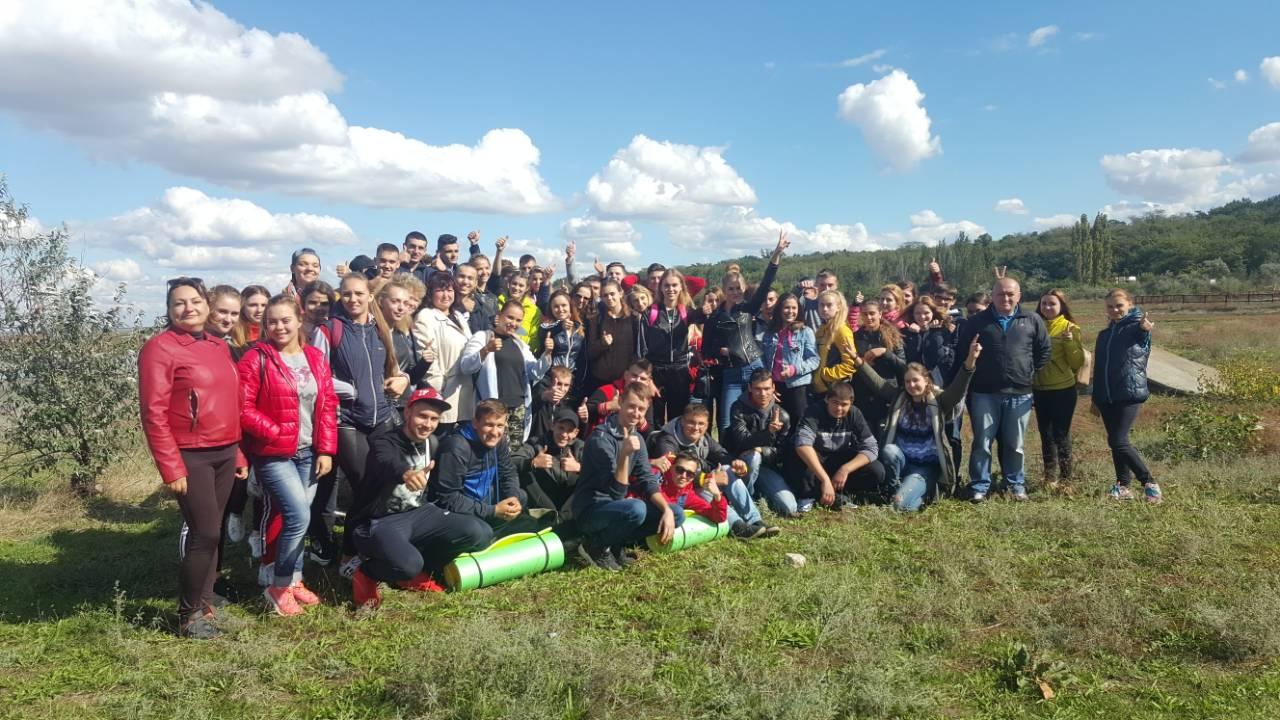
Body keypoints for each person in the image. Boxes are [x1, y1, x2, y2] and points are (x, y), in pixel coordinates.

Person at [139, 277, 249, 639]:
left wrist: (238, 452)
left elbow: (232, 404)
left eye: (195, 301)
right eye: (179, 303)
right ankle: (188, 616)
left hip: (225, 451)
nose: (188, 308)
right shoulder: (160, 348)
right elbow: (153, 414)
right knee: (204, 533)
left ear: (206, 305)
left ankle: (205, 601)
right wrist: (171, 467)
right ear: (169, 310)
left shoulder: (218, 346)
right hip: (191, 455)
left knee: (213, 532)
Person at [237, 296, 338, 616]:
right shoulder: (256, 358)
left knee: (299, 518)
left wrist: (326, 449)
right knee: (298, 517)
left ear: (299, 319)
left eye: (285, 320)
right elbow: (242, 408)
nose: (279, 327)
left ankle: (294, 578)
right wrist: (275, 431)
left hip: (309, 452)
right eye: (272, 321)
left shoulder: (315, 357)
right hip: (274, 454)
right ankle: (278, 587)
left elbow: (328, 404)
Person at [347, 388, 494, 609]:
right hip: (379, 521)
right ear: (407, 412)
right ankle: (367, 573)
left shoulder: (431, 442)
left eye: (434, 419)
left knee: (480, 533)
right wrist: (406, 474)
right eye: (422, 416)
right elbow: (386, 460)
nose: (428, 424)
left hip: (419, 512)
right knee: (408, 564)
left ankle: (418, 571)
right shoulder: (384, 441)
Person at [311, 273, 408, 566]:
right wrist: (350, 390)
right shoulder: (330, 329)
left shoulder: (380, 328)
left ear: (370, 296)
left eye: (359, 294)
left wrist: (402, 379)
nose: (353, 299)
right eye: (347, 294)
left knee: (384, 482)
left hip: (381, 416)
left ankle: (369, 544)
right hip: (347, 419)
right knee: (365, 484)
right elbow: (316, 374)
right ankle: (349, 555)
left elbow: (392, 368)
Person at [952, 278, 1051, 502]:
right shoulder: (977, 322)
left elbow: (1043, 350)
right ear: (992, 296)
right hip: (984, 393)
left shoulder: (1032, 320)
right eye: (1000, 294)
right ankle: (979, 485)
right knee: (982, 442)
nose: (1005, 298)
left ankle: (1015, 484)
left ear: (1019, 296)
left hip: (1020, 393)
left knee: (1015, 444)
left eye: (1010, 294)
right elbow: (963, 353)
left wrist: (1027, 372)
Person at [855, 337, 980, 512]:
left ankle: (923, 492)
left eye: (915, 381)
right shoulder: (900, 398)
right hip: (903, 461)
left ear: (926, 380)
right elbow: (877, 383)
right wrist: (857, 360)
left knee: (899, 506)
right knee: (889, 450)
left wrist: (970, 360)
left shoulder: (938, 401)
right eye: (907, 381)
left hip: (924, 467)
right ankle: (893, 490)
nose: (911, 385)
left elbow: (958, 389)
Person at [571, 382, 677, 571]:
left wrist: (666, 510)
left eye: (641, 409)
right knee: (635, 509)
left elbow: (647, 480)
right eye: (631, 406)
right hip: (591, 510)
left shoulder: (638, 438)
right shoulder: (600, 439)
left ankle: (616, 544)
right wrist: (625, 455)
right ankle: (596, 546)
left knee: (676, 513)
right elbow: (616, 492)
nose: (636, 413)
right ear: (620, 402)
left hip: (617, 508)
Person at [651, 404, 778, 539]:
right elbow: (673, 472)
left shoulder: (703, 437)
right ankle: (737, 527)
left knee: (727, 470)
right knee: (706, 487)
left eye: (701, 424)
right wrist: (706, 478)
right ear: (682, 421)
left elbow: (720, 454)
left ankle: (755, 520)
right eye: (691, 422)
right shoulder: (667, 440)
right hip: (675, 491)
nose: (696, 427)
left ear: (707, 425)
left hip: (692, 483)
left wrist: (736, 464)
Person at [705, 231, 789, 431]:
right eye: (731, 289)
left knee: (764, 416)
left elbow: (766, 282)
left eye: (739, 288)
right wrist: (721, 351)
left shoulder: (747, 308)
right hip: (732, 373)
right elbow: (706, 349)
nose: (735, 292)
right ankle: (727, 451)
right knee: (726, 422)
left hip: (754, 366)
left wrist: (776, 253)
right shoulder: (715, 317)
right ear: (724, 290)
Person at [1092, 289, 1160, 503]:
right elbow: (1099, 367)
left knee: (1118, 440)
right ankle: (1123, 486)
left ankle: (1149, 483)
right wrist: (1096, 397)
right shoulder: (1104, 335)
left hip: (1128, 392)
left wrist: (1144, 329)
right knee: (1116, 442)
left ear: (1130, 304)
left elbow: (1144, 336)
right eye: (1110, 306)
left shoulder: (1136, 328)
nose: (1115, 310)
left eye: (1119, 305)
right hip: (1106, 395)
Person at [428, 399, 529, 540]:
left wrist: (512, 497)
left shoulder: (499, 441)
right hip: (455, 508)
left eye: (500, 425)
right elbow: (448, 498)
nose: (495, 432)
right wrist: (493, 511)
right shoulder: (456, 447)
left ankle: (492, 535)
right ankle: (484, 537)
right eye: (489, 425)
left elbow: (508, 473)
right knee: (481, 532)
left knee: (520, 496)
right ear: (475, 423)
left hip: (482, 499)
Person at [460, 300, 550, 449]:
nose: (513, 323)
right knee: (492, 450)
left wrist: (546, 354)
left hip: (518, 408)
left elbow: (534, 372)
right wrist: (486, 350)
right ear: (499, 315)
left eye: (518, 320)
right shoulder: (483, 337)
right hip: (493, 409)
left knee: (513, 453)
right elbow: (466, 366)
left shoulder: (519, 344)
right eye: (510, 317)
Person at [789, 381, 885, 512]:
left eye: (844, 404)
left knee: (876, 470)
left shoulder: (855, 414)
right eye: (835, 402)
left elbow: (871, 448)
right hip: (817, 461)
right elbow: (802, 444)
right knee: (799, 457)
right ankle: (809, 495)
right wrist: (825, 479)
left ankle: (840, 493)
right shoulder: (814, 411)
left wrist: (845, 469)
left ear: (851, 403)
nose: (839, 408)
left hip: (839, 458)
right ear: (827, 399)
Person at [724, 369, 797, 516]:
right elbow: (741, 442)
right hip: (741, 465)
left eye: (766, 388)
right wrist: (768, 433)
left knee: (789, 507)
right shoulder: (738, 408)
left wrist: (762, 451)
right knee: (753, 457)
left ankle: (758, 493)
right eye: (757, 389)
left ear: (773, 388)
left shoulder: (782, 415)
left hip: (766, 467)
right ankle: (745, 500)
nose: (763, 393)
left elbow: (782, 452)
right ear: (750, 388)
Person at [638, 268, 703, 427]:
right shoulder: (650, 313)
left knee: (678, 419)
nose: (670, 289)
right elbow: (641, 350)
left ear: (681, 287)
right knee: (655, 420)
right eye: (666, 285)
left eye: (674, 285)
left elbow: (704, 315)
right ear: (660, 287)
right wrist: (648, 379)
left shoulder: (687, 312)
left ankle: (674, 443)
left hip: (680, 372)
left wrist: (706, 309)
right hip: (656, 372)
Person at [1032, 289, 1085, 485]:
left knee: (1061, 435)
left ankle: (1066, 479)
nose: (1047, 307)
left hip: (1063, 389)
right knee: (1045, 435)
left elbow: (1077, 362)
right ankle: (1050, 478)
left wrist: (1069, 342)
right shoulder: (1033, 326)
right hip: (1039, 389)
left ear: (1061, 306)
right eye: (1044, 303)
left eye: (1052, 304)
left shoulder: (1070, 327)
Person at [414, 271, 474, 435]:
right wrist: (438, 390)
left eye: (450, 290)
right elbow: (427, 358)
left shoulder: (458, 315)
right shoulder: (426, 316)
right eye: (440, 290)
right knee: (441, 439)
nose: (446, 295)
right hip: (444, 393)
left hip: (464, 392)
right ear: (431, 293)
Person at [513, 406, 585, 524]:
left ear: (576, 433)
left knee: (588, 479)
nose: (564, 434)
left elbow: (602, 473)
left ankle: (563, 520)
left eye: (569, 430)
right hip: (543, 500)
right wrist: (533, 463)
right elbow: (512, 461)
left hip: (568, 504)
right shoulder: (536, 443)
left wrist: (579, 467)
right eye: (561, 428)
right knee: (524, 473)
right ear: (552, 425)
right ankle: (551, 517)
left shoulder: (581, 447)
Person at [850, 299, 907, 435]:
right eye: (865, 314)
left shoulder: (892, 335)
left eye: (872, 313)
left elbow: (903, 366)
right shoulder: (855, 337)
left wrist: (885, 353)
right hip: (863, 395)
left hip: (885, 394)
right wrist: (861, 362)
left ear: (880, 314)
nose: (868, 317)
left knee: (884, 437)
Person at [761, 294, 818, 422]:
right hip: (776, 387)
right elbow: (764, 361)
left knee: (799, 422)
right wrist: (769, 385)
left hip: (798, 386)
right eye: (786, 307)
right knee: (778, 423)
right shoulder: (769, 333)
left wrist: (794, 369)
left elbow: (814, 360)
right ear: (779, 309)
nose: (790, 311)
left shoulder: (805, 332)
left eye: (794, 308)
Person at [376, 275, 428, 410]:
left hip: (401, 401)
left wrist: (425, 362)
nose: (412, 304)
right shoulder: (374, 330)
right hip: (382, 402)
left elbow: (409, 372)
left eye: (417, 300)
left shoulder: (403, 329)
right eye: (411, 298)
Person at [537, 289, 588, 402]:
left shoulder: (579, 328)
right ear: (551, 309)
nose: (560, 309)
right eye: (556, 306)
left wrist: (579, 381)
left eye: (564, 305)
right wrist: (560, 326)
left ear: (570, 306)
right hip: (551, 379)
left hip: (570, 380)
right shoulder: (547, 327)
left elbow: (582, 358)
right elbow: (543, 332)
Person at [585, 280, 637, 392]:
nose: (609, 298)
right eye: (605, 295)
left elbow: (638, 350)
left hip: (625, 380)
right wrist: (602, 344)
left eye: (612, 294)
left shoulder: (634, 318)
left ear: (620, 293)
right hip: (599, 380)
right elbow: (589, 352)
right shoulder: (597, 319)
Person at [658, 452, 728, 524]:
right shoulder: (657, 474)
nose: (684, 476)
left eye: (690, 474)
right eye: (679, 470)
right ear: (671, 467)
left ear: (693, 477)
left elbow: (718, 517)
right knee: (678, 512)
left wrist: (717, 496)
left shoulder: (686, 495)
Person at [813, 290, 857, 396]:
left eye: (829, 305)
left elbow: (850, 365)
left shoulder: (842, 331)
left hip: (833, 391)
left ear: (838, 307)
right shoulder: (821, 329)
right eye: (821, 305)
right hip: (818, 389)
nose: (824, 309)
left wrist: (825, 375)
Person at [455, 261, 496, 334]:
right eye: (461, 276)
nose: (465, 282)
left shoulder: (480, 309)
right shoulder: (445, 304)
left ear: (475, 283)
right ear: (454, 278)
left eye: (470, 278)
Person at [230, 285, 269, 355]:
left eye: (264, 305)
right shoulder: (231, 335)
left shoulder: (276, 333)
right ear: (242, 307)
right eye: (253, 305)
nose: (259, 310)